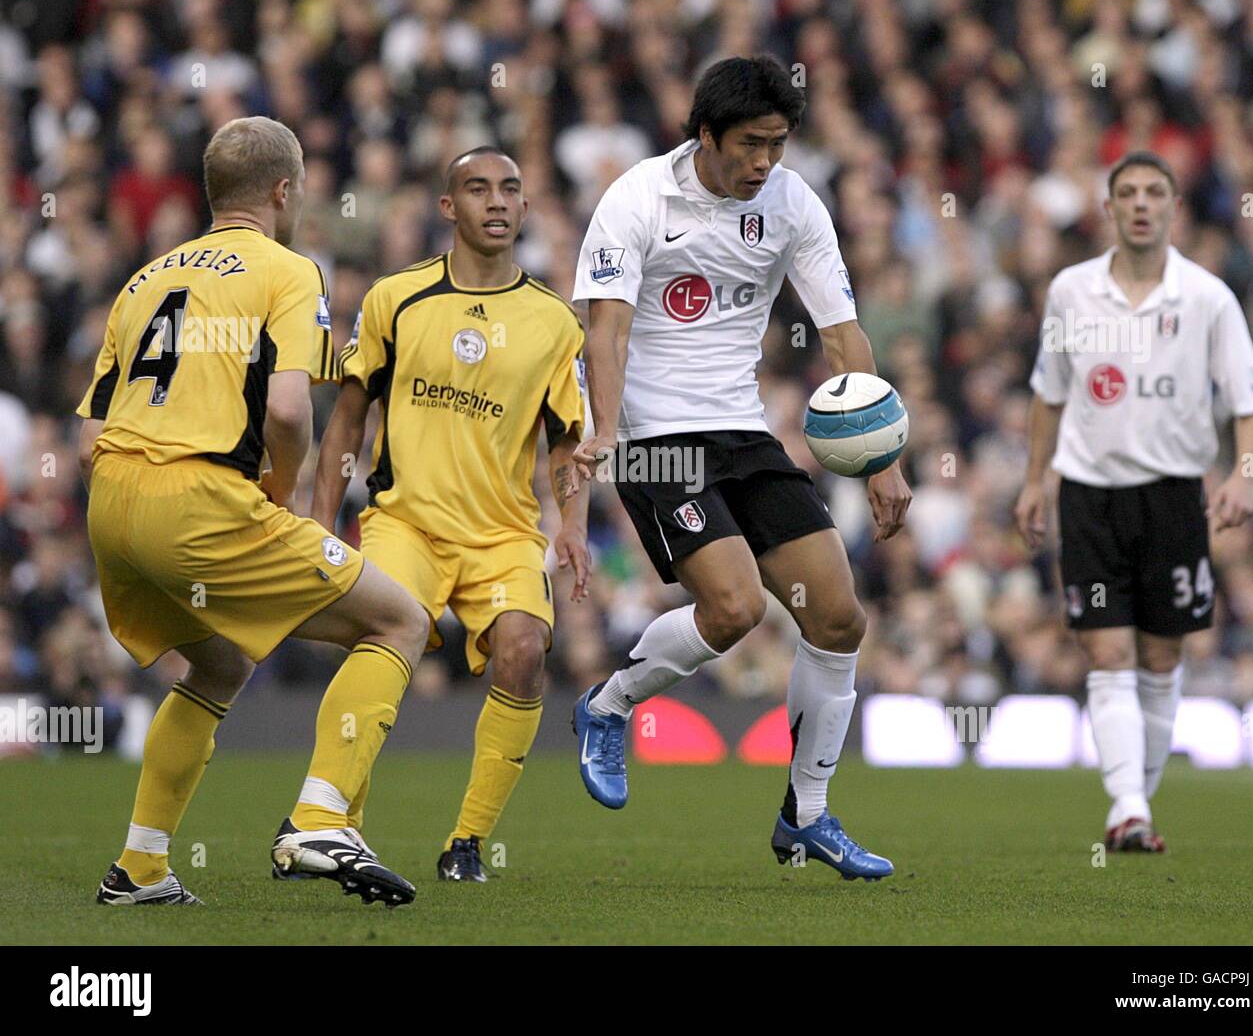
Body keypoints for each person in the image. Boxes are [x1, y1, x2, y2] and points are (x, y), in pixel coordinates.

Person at [567, 56, 911, 881]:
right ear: (706, 134)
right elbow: (605, 328)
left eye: (779, 145)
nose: (765, 162)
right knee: (733, 610)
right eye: (751, 145)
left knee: (838, 618)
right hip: (657, 435)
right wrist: (607, 426)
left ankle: (808, 817)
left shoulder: (792, 202)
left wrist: (882, 457)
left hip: (744, 432)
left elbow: (840, 331)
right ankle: (608, 707)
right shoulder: (637, 197)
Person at [79, 116, 429, 907]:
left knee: (220, 663)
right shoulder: (288, 270)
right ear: (283, 190)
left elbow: (88, 436)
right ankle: (318, 818)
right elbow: (286, 411)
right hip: (196, 501)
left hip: (110, 503)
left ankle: (138, 870)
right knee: (400, 621)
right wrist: (287, 496)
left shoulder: (145, 279)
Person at [313, 147, 590, 883]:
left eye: (510, 190)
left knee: (526, 651)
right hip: (407, 522)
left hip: (502, 533)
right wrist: (315, 523)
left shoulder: (556, 323)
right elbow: (346, 420)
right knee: (382, 640)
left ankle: (466, 841)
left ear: (525, 210)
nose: (497, 202)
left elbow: (567, 443)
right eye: (477, 188)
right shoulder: (393, 299)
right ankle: (330, 821)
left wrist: (575, 525)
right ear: (448, 208)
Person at [1015, 150, 1253, 852]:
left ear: (1173, 207)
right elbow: (1050, 392)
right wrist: (1036, 478)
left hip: (1172, 499)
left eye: (1153, 192)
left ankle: (1136, 803)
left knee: (1161, 659)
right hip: (1090, 495)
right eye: (1125, 192)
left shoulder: (1206, 298)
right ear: (1108, 210)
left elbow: (1252, 404)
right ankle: (1128, 806)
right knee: (1107, 651)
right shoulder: (1072, 291)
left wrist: (1244, 475)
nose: (1139, 204)